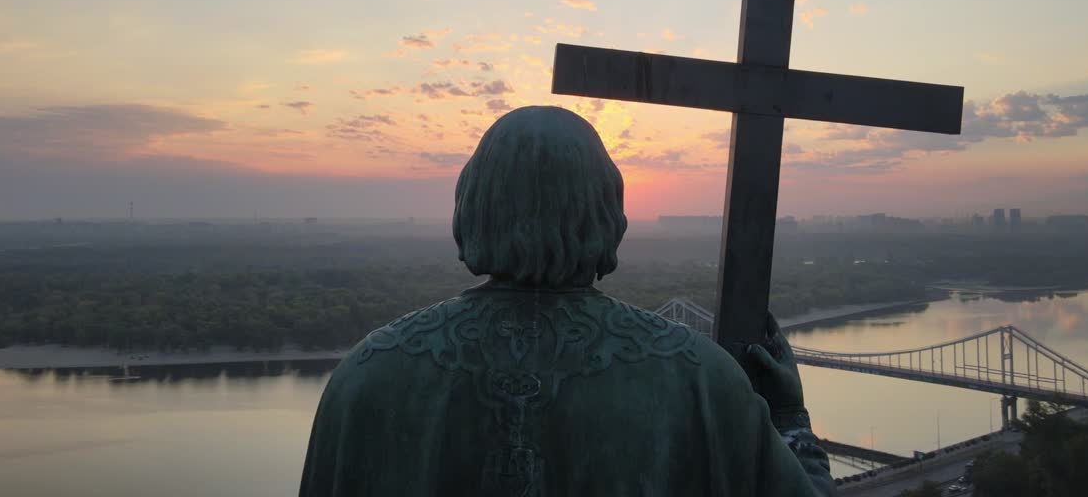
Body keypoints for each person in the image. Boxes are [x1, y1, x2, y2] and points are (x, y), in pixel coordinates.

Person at [300, 106, 834, 496]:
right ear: (607, 212)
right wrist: (789, 418)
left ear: (471, 209)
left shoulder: (365, 375)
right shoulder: (700, 378)